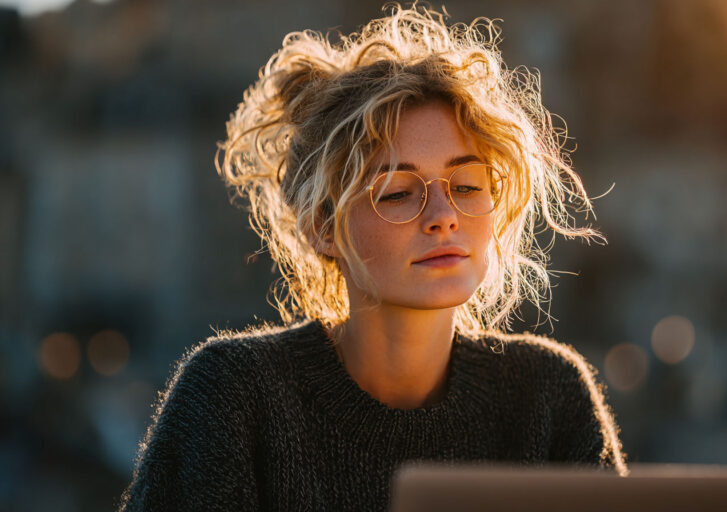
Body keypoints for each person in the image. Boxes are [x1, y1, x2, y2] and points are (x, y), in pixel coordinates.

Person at [118, 3, 627, 511]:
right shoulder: (232, 396)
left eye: (467, 185)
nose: (444, 215)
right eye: (397, 192)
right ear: (322, 227)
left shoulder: (550, 395)